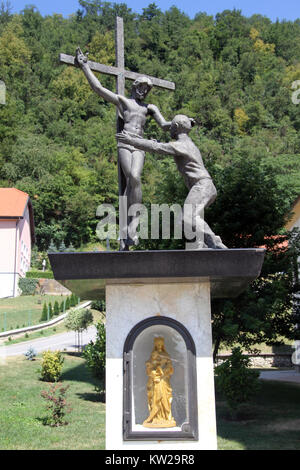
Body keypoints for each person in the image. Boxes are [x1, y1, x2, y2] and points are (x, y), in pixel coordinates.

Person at [75, 48, 171, 250]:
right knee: (132, 178)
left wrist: (182, 124)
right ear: (135, 87)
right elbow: (99, 89)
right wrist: (85, 66)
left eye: (147, 89)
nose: (144, 91)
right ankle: (127, 230)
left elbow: (165, 125)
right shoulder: (124, 101)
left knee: (135, 179)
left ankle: (131, 226)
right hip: (125, 142)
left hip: (140, 144)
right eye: (141, 87)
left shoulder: (149, 108)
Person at [117, 114, 227, 249]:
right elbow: (159, 146)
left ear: (175, 128)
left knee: (187, 217)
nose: (169, 131)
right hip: (204, 186)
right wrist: (154, 143)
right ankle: (202, 245)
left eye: (171, 128)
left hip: (202, 186)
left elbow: (157, 148)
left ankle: (215, 243)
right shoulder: (188, 144)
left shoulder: (182, 145)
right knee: (190, 218)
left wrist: (131, 140)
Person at [143, 337, 176, 428]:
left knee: (165, 398)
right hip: (155, 381)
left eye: (161, 344)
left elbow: (170, 367)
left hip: (164, 380)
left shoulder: (166, 355)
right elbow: (149, 368)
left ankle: (166, 417)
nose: (159, 346)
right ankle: (156, 418)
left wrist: (164, 371)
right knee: (155, 398)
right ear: (155, 345)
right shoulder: (153, 355)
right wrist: (153, 372)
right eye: (157, 345)